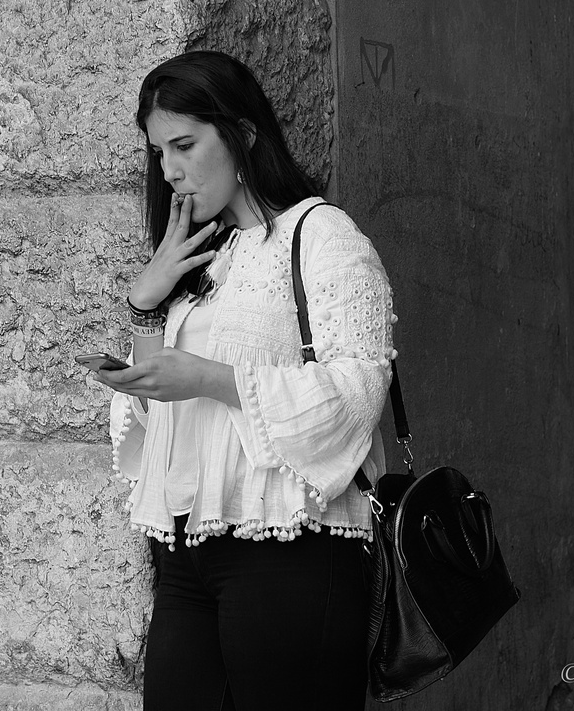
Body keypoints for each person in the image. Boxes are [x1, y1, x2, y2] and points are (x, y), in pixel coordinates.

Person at [91, 50, 397, 711]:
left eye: (184, 144)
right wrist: (147, 305)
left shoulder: (323, 238)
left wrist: (206, 376)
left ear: (243, 135)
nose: (169, 170)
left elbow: (356, 397)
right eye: (157, 152)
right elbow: (155, 421)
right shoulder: (204, 256)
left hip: (292, 550)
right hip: (184, 554)